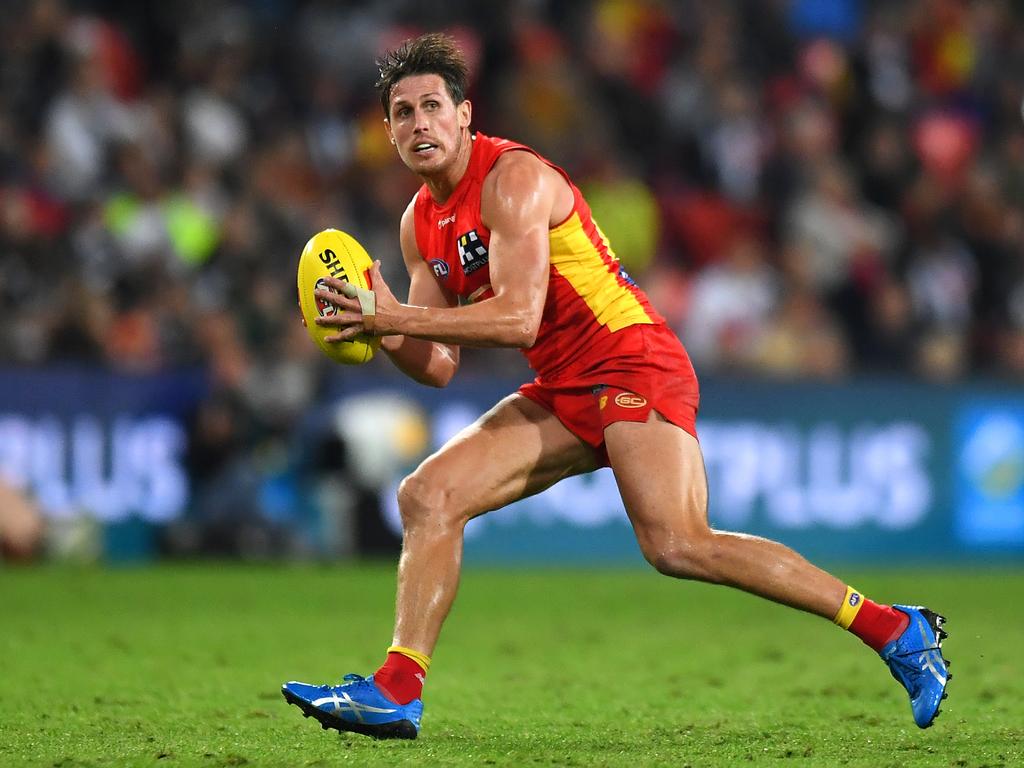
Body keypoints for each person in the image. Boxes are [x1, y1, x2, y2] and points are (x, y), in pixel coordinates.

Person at [282, 33, 950, 740]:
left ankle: (894, 627)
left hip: (631, 359)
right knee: (427, 495)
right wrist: (381, 331)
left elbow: (517, 316)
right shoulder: (420, 224)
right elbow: (439, 361)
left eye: (432, 107)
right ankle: (397, 690)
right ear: (386, 130)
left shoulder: (513, 179)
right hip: (563, 382)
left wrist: (394, 314)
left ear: (464, 114)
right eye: (403, 112)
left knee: (678, 543)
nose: (419, 123)